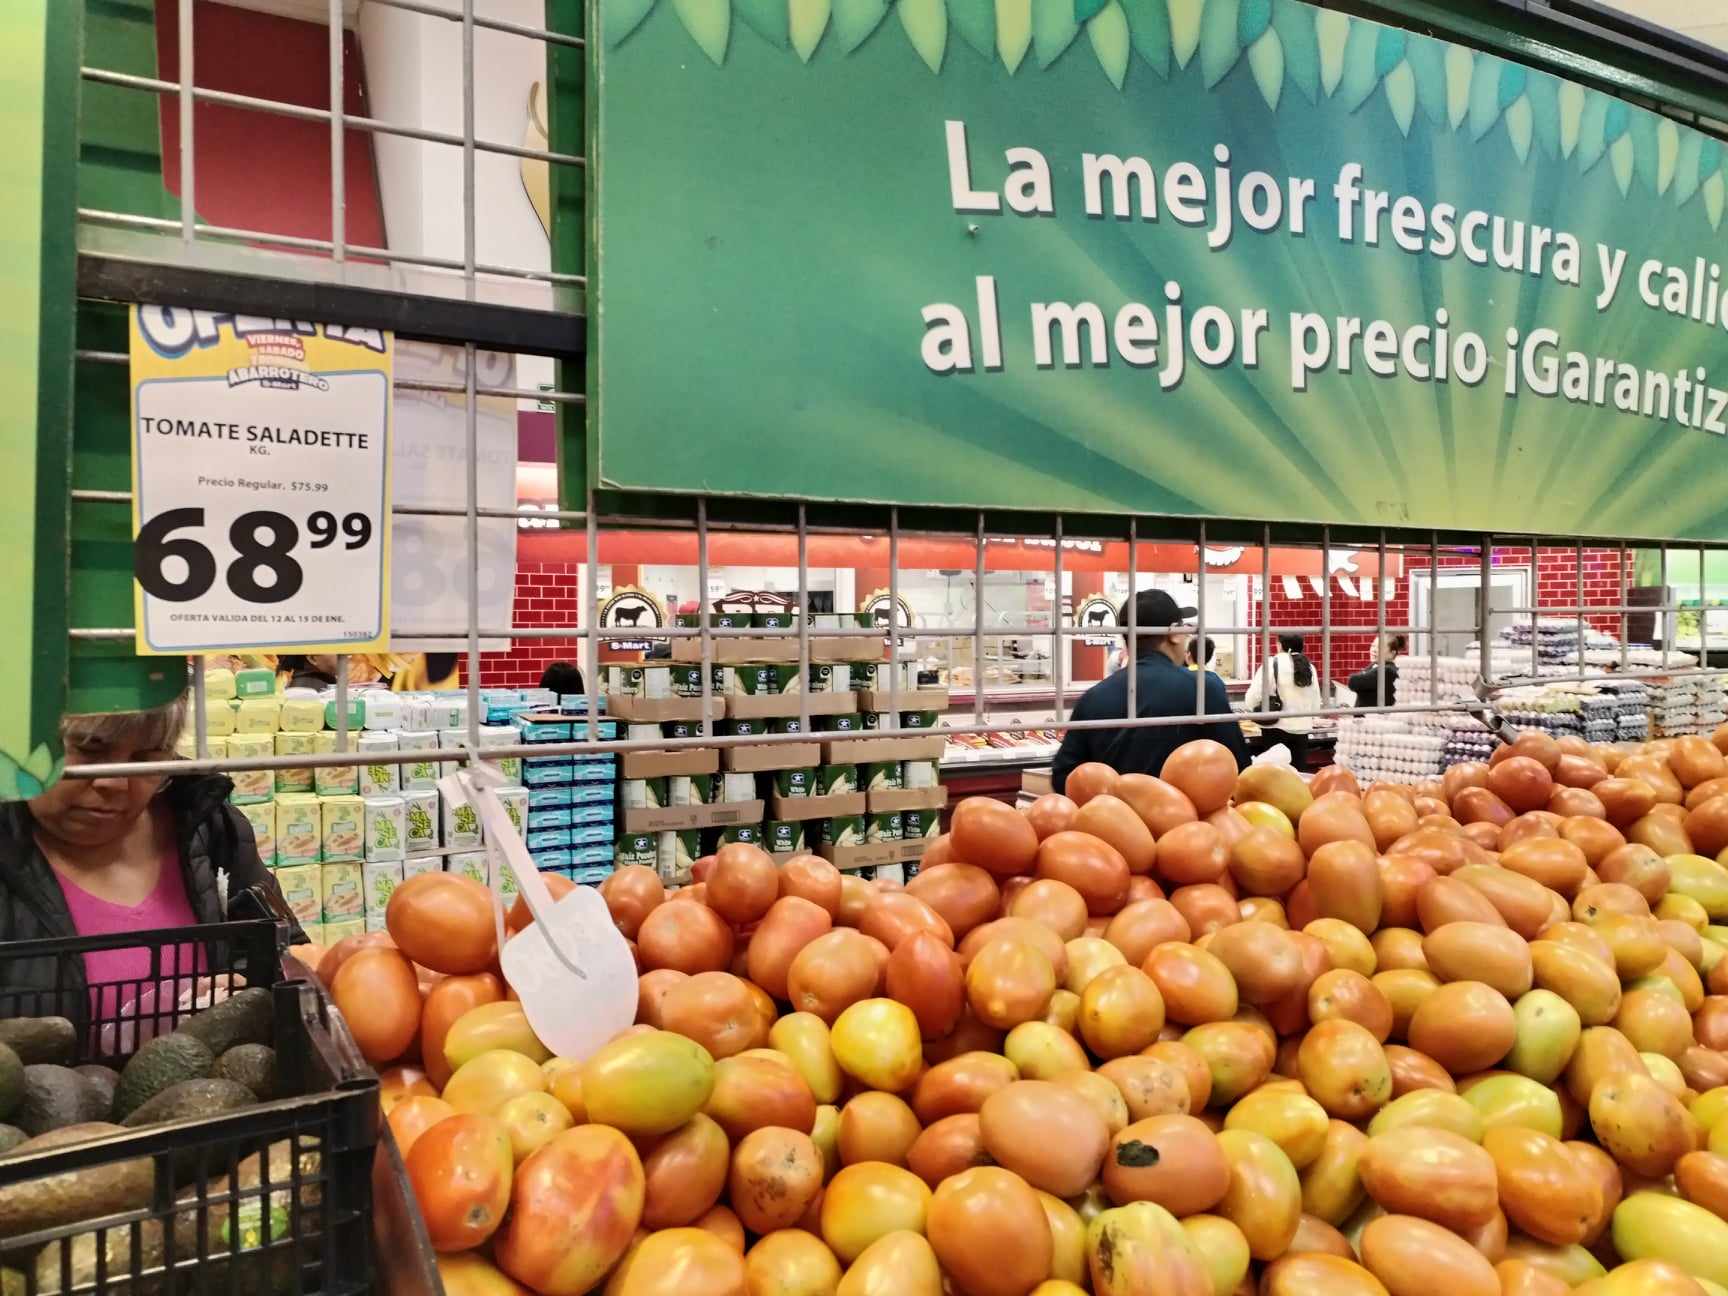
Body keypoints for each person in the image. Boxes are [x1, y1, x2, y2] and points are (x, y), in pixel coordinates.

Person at [0, 693, 302, 1013]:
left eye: (146, 757)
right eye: (89, 749)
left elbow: (291, 960)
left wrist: (249, 991)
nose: (115, 783)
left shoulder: (211, 828)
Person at [1051, 590, 1249, 793]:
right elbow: (1240, 768)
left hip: (1112, 811)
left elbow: (1063, 777)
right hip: (1189, 811)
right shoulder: (1204, 689)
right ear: (1174, 634)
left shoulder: (1092, 698)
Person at [1244, 633, 1325, 767]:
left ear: (1280, 645)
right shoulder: (1310, 667)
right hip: (1302, 730)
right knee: (1298, 774)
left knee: (1276, 773)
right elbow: (1316, 705)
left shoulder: (1271, 664)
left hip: (1275, 729)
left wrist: (1254, 708)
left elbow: (1252, 698)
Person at [1348, 634, 1407, 709]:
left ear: (1392, 653)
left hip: (1372, 715)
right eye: (1373, 646)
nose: (1374, 650)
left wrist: (1363, 674)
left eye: (1379, 647)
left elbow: (1353, 681)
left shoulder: (1387, 671)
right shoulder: (1375, 666)